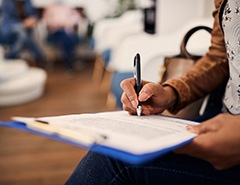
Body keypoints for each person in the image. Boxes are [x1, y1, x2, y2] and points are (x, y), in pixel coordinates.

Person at [65, 0, 240, 184]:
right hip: (219, 118)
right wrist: (170, 92)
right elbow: (220, 56)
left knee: (114, 160)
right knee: (117, 147)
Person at [0, 0, 47, 68]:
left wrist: (32, 19)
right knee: (23, 34)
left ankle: (9, 57)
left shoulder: (28, 1)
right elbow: (8, 20)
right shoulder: (6, 2)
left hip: (25, 31)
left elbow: (34, 14)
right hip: (9, 31)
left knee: (23, 34)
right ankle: (39, 57)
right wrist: (23, 24)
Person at [42, 1, 83, 72]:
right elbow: (46, 20)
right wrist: (58, 23)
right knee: (66, 37)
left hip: (67, 32)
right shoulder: (50, 8)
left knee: (66, 37)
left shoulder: (68, 7)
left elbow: (77, 17)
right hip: (55, 33)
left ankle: (69, 64)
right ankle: (70, 63)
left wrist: (69, 22)